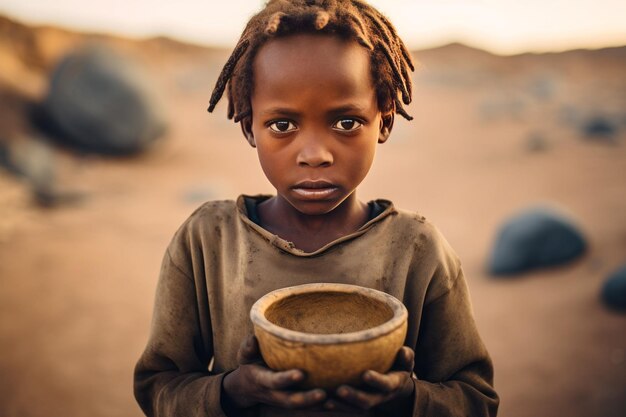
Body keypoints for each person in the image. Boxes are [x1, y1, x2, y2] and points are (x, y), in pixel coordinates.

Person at [133, 1, 499, 416]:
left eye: (346, 122)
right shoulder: (208, 242)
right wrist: (233, 391)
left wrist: (408, 399)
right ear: (249, 125)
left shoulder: (417, 250)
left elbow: (477, 399)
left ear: (386, 120)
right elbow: (158, 386)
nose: (314, 154)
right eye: (282, 125)